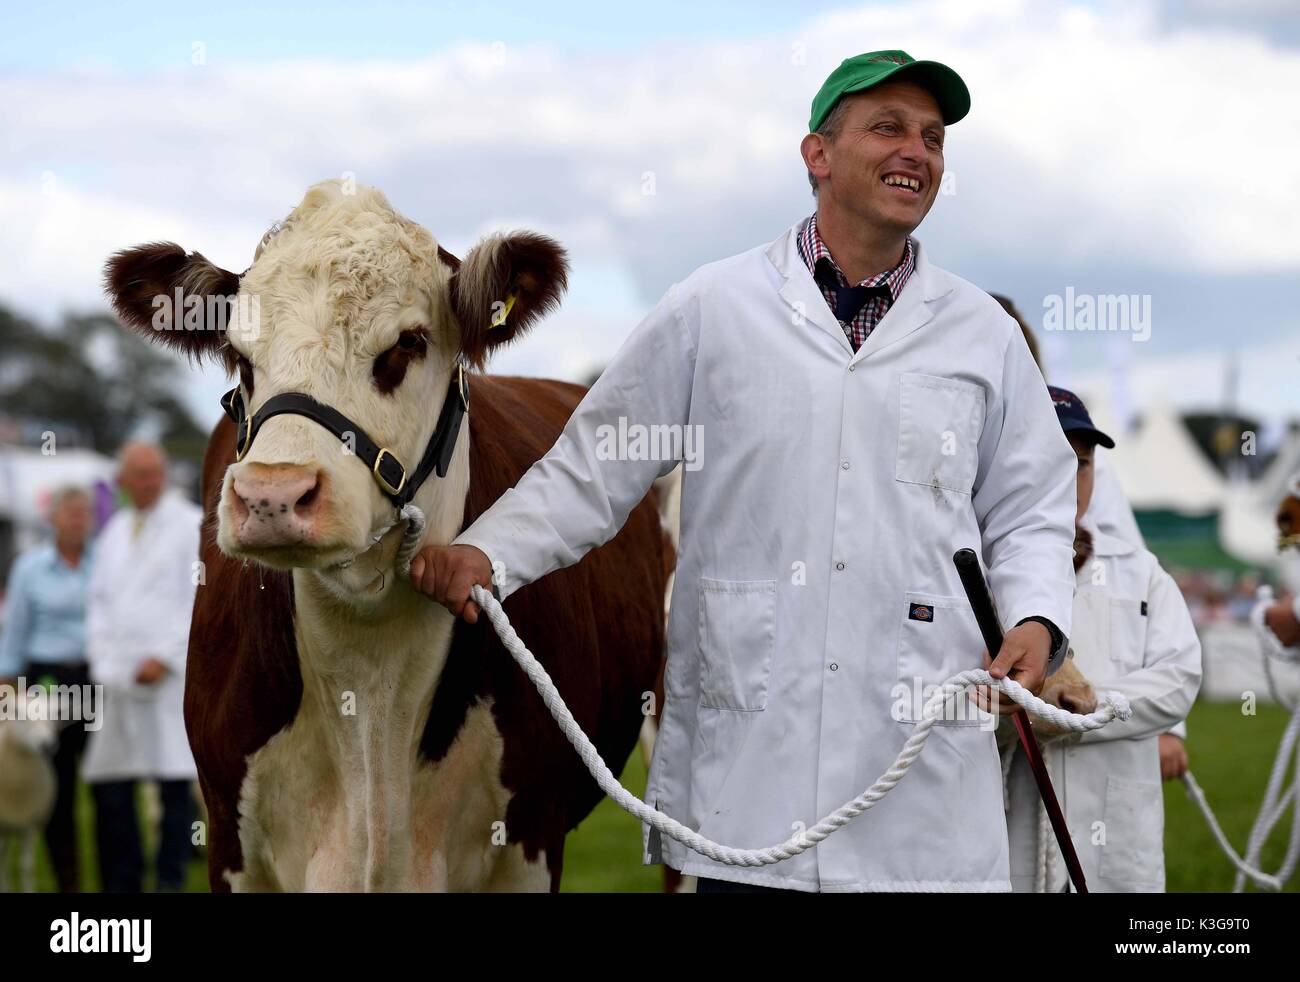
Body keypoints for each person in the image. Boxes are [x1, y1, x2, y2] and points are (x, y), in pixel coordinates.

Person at [410, 50, 1078, 892]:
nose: (918, 151)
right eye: (889, 129)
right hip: (747, 799)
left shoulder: (983, 334)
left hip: (925, 809)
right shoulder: (712, 306)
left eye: (934, 138)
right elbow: (594, 466)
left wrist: (1040, 620)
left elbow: (1033, 508)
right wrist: (488, 554)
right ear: (818, 154)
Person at [1003, 387, 1202, 892]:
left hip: (1119, 841)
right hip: (1017, 833)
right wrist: (1020, 714)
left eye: (1083, 464)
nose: (1071, 481)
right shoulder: (984, 570)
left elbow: (1180, 676)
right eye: (1055, 460)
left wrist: (1092, 708)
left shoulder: (1139, 570)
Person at [82, 442, 201, 892]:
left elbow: (197, 600)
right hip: (114, 679)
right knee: (111, 786)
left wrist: (165, 656)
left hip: (165, 680)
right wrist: (101, 656)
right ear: (123, 482)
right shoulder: (114, 530)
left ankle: (169, 880)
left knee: (173, 785)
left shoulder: (189, 524)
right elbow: (97, 600)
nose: (150, 482)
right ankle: (123, 882)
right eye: (140, 475)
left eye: (155, 473)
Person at [0, 485, 96, 892]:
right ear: (53, 518)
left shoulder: (104, 563)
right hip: (46, 683)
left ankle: (117, 878)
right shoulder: (30, 568)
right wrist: (6, 684)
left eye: (83, 513)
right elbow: (15, 630)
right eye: (70, 513)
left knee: (107, 785)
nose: (78, 520)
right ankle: (67, 883)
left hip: (96, 680)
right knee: (56, 786)